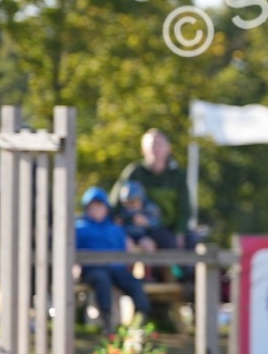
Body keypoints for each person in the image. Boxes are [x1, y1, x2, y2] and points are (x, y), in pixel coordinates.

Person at [76, 186, 151, 332]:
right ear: (87, 208)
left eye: (100, 206)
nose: (97, 210)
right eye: (93, 207)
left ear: (106, 208)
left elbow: (125, 249)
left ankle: (141, 320)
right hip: (92, 270)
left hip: (116, 268)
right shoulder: (79, 228)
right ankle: (107, 321)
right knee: (102, 280)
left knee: (133, 282)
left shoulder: (115, 228)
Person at [112, 129, 193, 249]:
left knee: (191, 239)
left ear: (168, 148)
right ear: (143, 150)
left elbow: (184, 208)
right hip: (141, 227)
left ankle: (182, 268)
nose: (156, 149)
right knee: (167, 242)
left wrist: (180, 232)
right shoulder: (134, 172)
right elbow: (115, 202)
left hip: (170, 227)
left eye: (159, 144)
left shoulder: (177, 175)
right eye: (152, 145)